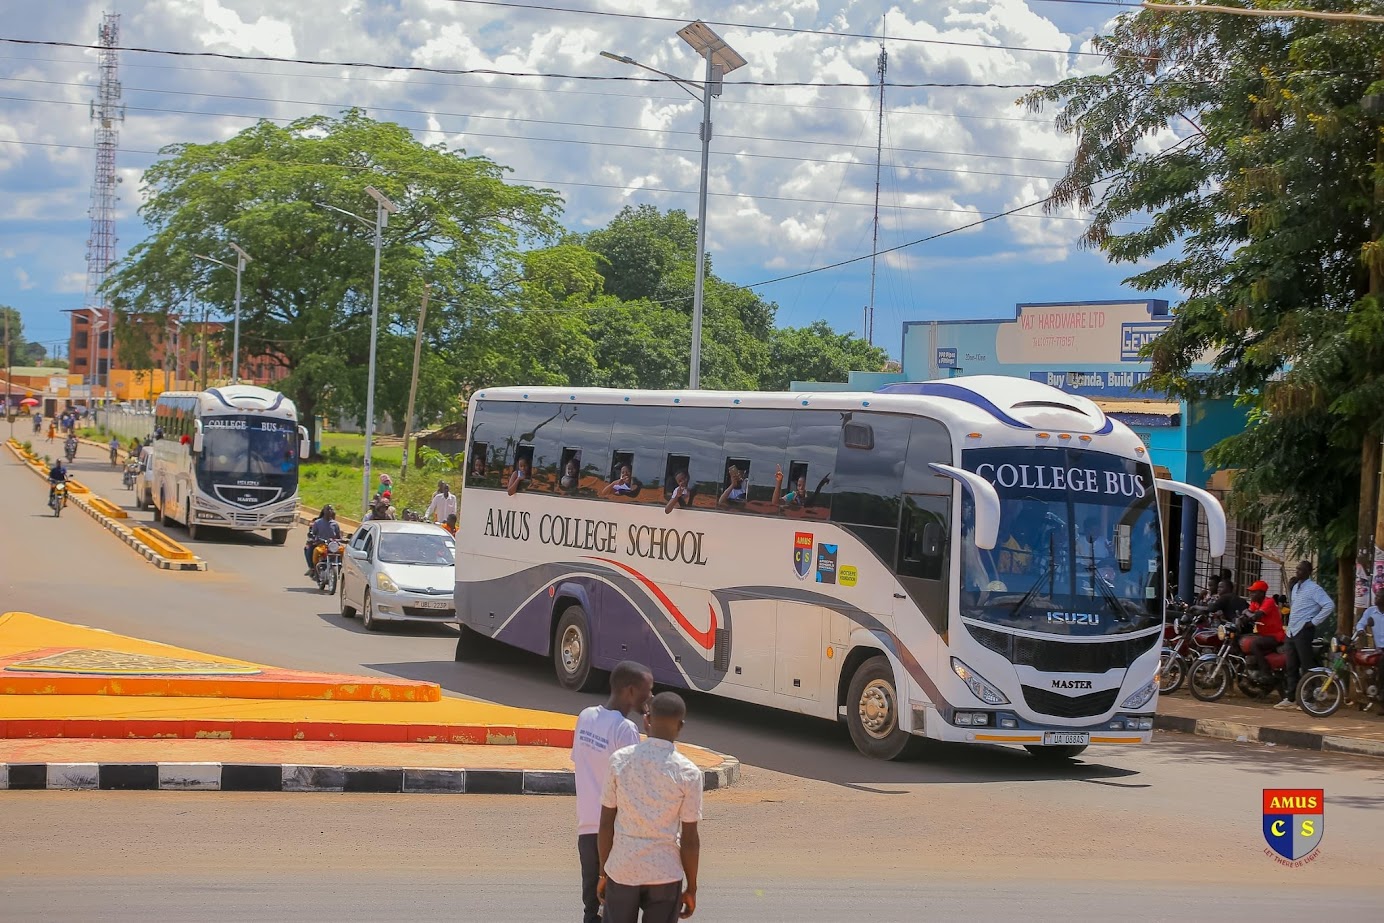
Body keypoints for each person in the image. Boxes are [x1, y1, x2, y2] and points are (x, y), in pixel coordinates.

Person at [598, 691, 702, 923]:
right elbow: (690, 840)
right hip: (665, 874)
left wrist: (603, 873)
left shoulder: (619, 760)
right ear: (680, 726)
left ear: (647, 720)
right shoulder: (689, 773)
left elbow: (605, 824)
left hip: (623, 868)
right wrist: (692, 888)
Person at [573, 661, 654, 923]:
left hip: (587, 831)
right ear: (630, 691)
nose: (651, 696)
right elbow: (634, 788)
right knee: (619, 912)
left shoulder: (585, 717)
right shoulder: (625, 729)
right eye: (647, 690)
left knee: (592, 909)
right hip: (614, 834)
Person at [1276, 561, 1335, 709]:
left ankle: (1311, 699)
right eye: (1297, 569)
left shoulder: (1314, 589)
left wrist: (1314, 622)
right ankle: (1291, 698)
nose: (1298, 572)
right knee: (1291, 666)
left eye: (1301, 570)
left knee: (1307, 665)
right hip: (1291, 630)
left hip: (1303, 630)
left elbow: (1329, 605)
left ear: (1309, 572)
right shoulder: (1296, 587)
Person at [1242, 580, 1285, 680]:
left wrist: (1246, 612)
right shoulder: (1255, 602)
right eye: (1251, 592)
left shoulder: (1268, 602)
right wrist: (1240, 618)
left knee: (1254, 644)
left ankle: (1265, 672)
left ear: (1261, 593)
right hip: (1263, 634)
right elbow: (1248, 613)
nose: (1251, 594)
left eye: (1254, 592)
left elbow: (1254, 616)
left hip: (1275, 636)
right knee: (1244, 639)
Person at [1353, 589, 1384, 711]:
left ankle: (1381, 694)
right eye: (1376, 596)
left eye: (1380, 596)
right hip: (1378, 648)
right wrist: (1361, 630)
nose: (1376, 598)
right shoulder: (1370, 611)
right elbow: (1361, 623)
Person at [304, 505, 343, 575]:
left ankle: (341, 569)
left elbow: (339, 537)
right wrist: (313, 539)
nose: (330, 511)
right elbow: (313, 534)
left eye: (331, 509)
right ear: (324, 511)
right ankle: (314, 569)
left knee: (343, 550)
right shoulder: (317, 522)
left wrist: (338, 540)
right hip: (321, 545)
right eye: (328, 509)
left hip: (332, 546)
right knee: (314, 551)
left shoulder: (335, 524)